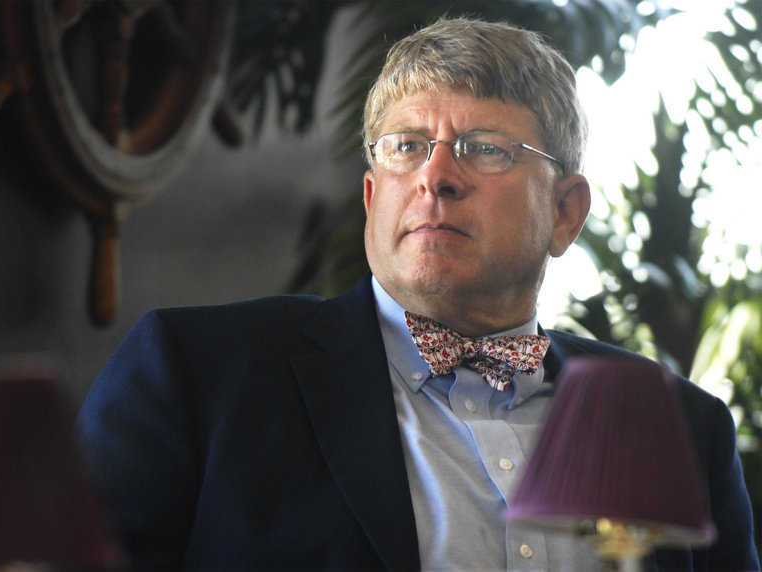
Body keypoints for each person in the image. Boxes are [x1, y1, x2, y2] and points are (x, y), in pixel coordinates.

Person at [77, 17, 759, 571]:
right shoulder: (196, 374)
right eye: (407, 146)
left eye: (485, 148)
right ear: (373, 197)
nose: (435, 177)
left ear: (565, 212)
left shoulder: (681, 426)